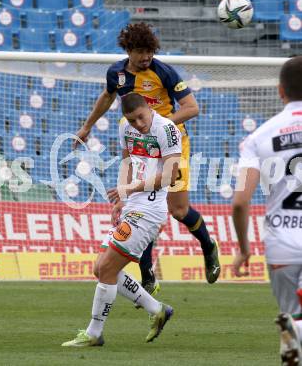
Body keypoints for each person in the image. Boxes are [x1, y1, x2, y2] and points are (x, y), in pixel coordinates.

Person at [75, 22, 220, 294]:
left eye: (150, 52)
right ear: (128, 50)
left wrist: (160, 126)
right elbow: (107, 98)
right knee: (140, 206)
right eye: (141, 52)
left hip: (172, 143)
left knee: (177, 211)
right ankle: (147, 272)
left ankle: (208, 245)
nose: (146, 57)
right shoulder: (116, 74)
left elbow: (192, 108)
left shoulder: (164, 72)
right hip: (140, 146)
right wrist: (87, 126)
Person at [62, 93, 181, 347]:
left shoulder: (167, 129)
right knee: (100, 269)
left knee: (106, 269)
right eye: (132, 119)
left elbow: (171, 175)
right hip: (132, 206)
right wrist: (121, 200)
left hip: (149, 211)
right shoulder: (125, 128)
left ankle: (94, 333)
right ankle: (158, 310)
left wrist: (131, 189)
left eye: (140, 117)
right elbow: (128, 162)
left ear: (148, 108)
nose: (138, 123)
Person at [232, 56, 302, 365]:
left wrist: (244, 249)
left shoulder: (258, 138)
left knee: (292, 313)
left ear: (280, 91)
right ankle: (296, 331)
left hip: (281, 244)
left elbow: (240, 202)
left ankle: (294, 330)